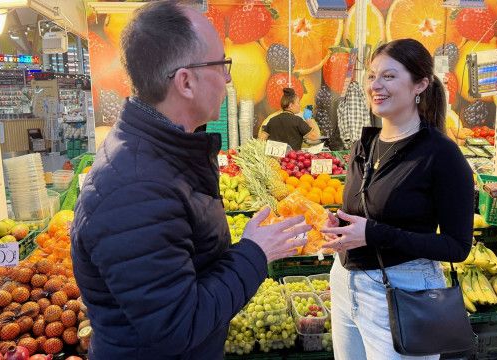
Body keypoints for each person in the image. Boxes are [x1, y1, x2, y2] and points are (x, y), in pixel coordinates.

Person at [70, 2, 311, 359]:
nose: (228, 78)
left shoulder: (164, 157)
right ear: (185, 81)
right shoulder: (136, 189)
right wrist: (255, 254)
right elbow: (176, 325)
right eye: (221, 65)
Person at [319, 38, 474, 359]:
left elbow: (457, 247)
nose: (376, 85)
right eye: (372, 76)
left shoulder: (440, 154)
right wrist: (338, 225)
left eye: (389, 76)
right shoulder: (365, 145)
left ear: (420, 84)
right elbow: (363, 213)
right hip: (345, 285)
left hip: (403, 290)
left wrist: (373, 233)